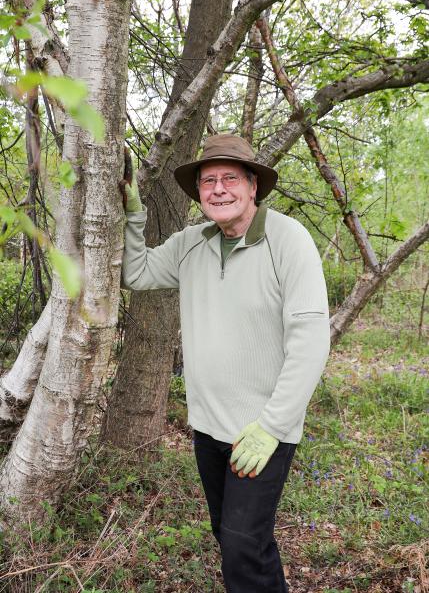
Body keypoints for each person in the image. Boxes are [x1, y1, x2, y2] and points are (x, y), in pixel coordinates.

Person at [122, 134, 330, 593]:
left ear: (253, 185)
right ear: (198, 192)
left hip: (260, 432)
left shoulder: (288, 240)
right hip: (207, 428)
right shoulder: (190, 243)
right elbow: (135, 273)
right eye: (208, 181)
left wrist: (272, 426)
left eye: (229, 179)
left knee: (242, 546)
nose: (217, 189)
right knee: (236, 541)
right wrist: (133, 213)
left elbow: (311, 341)